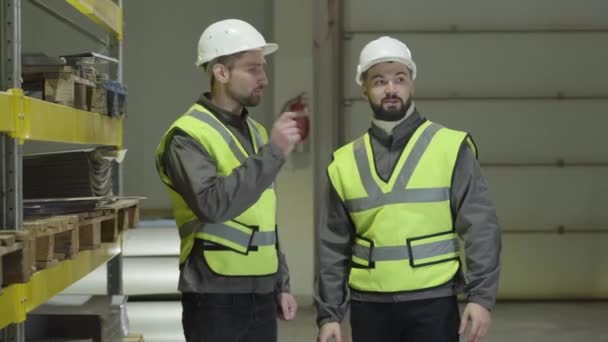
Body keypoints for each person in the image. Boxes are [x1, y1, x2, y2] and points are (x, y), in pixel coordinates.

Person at [315, 36, 501, 342]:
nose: (391, 89)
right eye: (379, 81)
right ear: (364, 88)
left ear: (411, 83)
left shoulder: (450, 147)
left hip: (433, 304)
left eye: (399, 79)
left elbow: (482, 228)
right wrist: (329, 315)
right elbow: (333, 245)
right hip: (369, 307)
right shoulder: (344, 162)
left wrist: (480, 298)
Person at [155, 18, 300, 342]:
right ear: (221, 73)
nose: (264, 78)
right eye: (252, 69)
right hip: (213, 294)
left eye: (263, 67)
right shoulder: (187, 136)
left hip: (261, 291)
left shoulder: (258, 133)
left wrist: (281, 283)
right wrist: (274, 152)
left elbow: (265, 218)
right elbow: (212, 204)